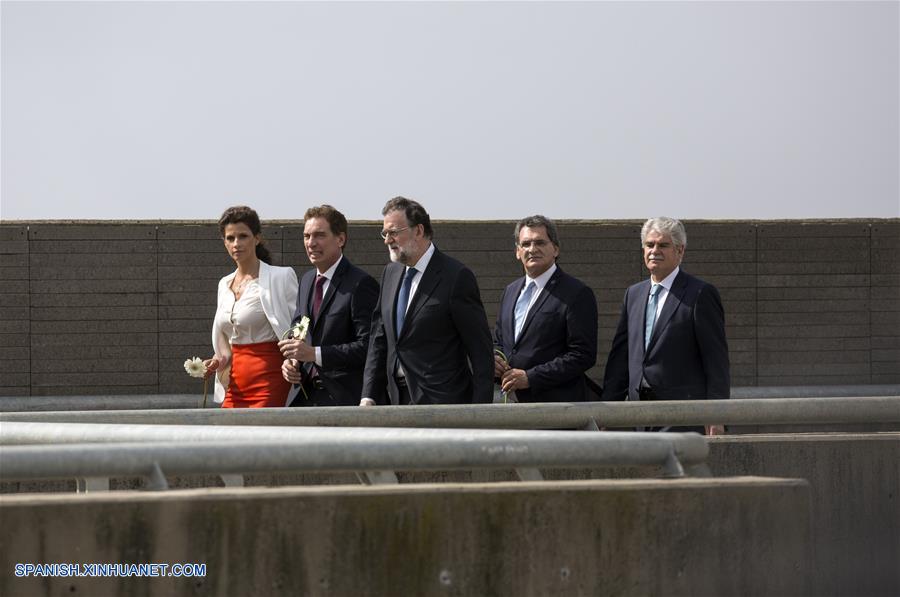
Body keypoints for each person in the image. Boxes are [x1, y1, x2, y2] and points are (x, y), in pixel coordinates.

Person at [360, 197, 494, 406]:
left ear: (418, 230)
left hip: (443, 404)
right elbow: (379, 338)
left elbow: (481, 352)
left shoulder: (456, 276)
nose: (387, 240)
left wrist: (480, 413)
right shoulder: (390, 273)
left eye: (394, 232)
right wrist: (368, 395)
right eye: (385, 233)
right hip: (397, 401)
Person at [601, 217, 729, 434]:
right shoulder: (633, 294)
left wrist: (717, 414)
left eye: (663, 245)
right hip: (640, 416)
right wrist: (608, 409)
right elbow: (620, 358)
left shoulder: (700, 294)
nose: (654, 251)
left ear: (680, 251)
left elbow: (716, 360)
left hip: (682, 416)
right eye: (649, 245)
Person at [278, 205, 379, 406]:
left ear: (340, 239)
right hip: (304, 397)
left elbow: (369, 346)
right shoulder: (306, 281)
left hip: (343, 399)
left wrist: (314, 354)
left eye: (320, 235)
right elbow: (299, 328)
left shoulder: (361, 284)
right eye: (307, 236)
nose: (311, 243)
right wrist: (293, 361)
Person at [493, 215, 598, 402]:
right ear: (518, 251)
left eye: (540, 242)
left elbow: (582, 355)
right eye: (526, 244)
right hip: (511, 403)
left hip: (556, 407)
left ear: (555, 249)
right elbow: (500, 341)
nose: (532, 249)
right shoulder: (510, 291)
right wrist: (495, 359)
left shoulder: (577, 293)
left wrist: (531, 378)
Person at [203, 206, 299, 408]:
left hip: (271, 379)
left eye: (243, 236)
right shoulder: (223, 284)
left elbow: (298, 329)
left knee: (261, 428)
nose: (236, 243)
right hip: (235, 382)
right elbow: (226, 345)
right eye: (230, 238)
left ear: (257, 238)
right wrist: (217, 362)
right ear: (224, 242)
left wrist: (295, 362)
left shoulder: (281, 277)